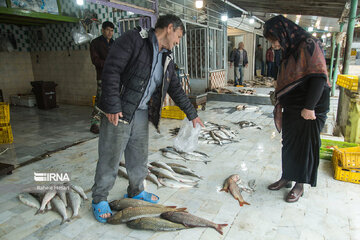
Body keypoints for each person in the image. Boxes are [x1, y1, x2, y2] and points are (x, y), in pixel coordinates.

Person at [91, 14, 204, 222]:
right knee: (110, 156)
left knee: (138, 157)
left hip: (142, 112)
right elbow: (111, 70)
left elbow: (175, 89)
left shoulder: (167, 57)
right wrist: (112, 105)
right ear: (169, 28)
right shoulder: (134, 40)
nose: (178, 42)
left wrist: (192, 114)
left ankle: (136, 191)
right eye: (178, 36)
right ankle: (99, 198)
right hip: (120, 109)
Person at [263, 15, 330, 203]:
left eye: (274, 40)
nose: (274, 45)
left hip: (311, 106)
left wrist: (309, 107)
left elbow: (319, 77)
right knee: (289, 143)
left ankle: (299, 184)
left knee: (305, 145)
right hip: (293, 106)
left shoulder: (309, 44)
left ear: (283, 33)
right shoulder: (289, 48)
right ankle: (287, 177)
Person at [89, 21, 115, 134]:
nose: (110, 33)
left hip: (115, 76)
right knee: (100, 100)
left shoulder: (115, 43)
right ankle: (95, 123)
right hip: (103, 76)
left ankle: (110, 123)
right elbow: (95, 60)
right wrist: (110, 64)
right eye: (108, 30)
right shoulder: (95, 43)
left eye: (112, 31)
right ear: (102, 30)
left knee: (113, 100)